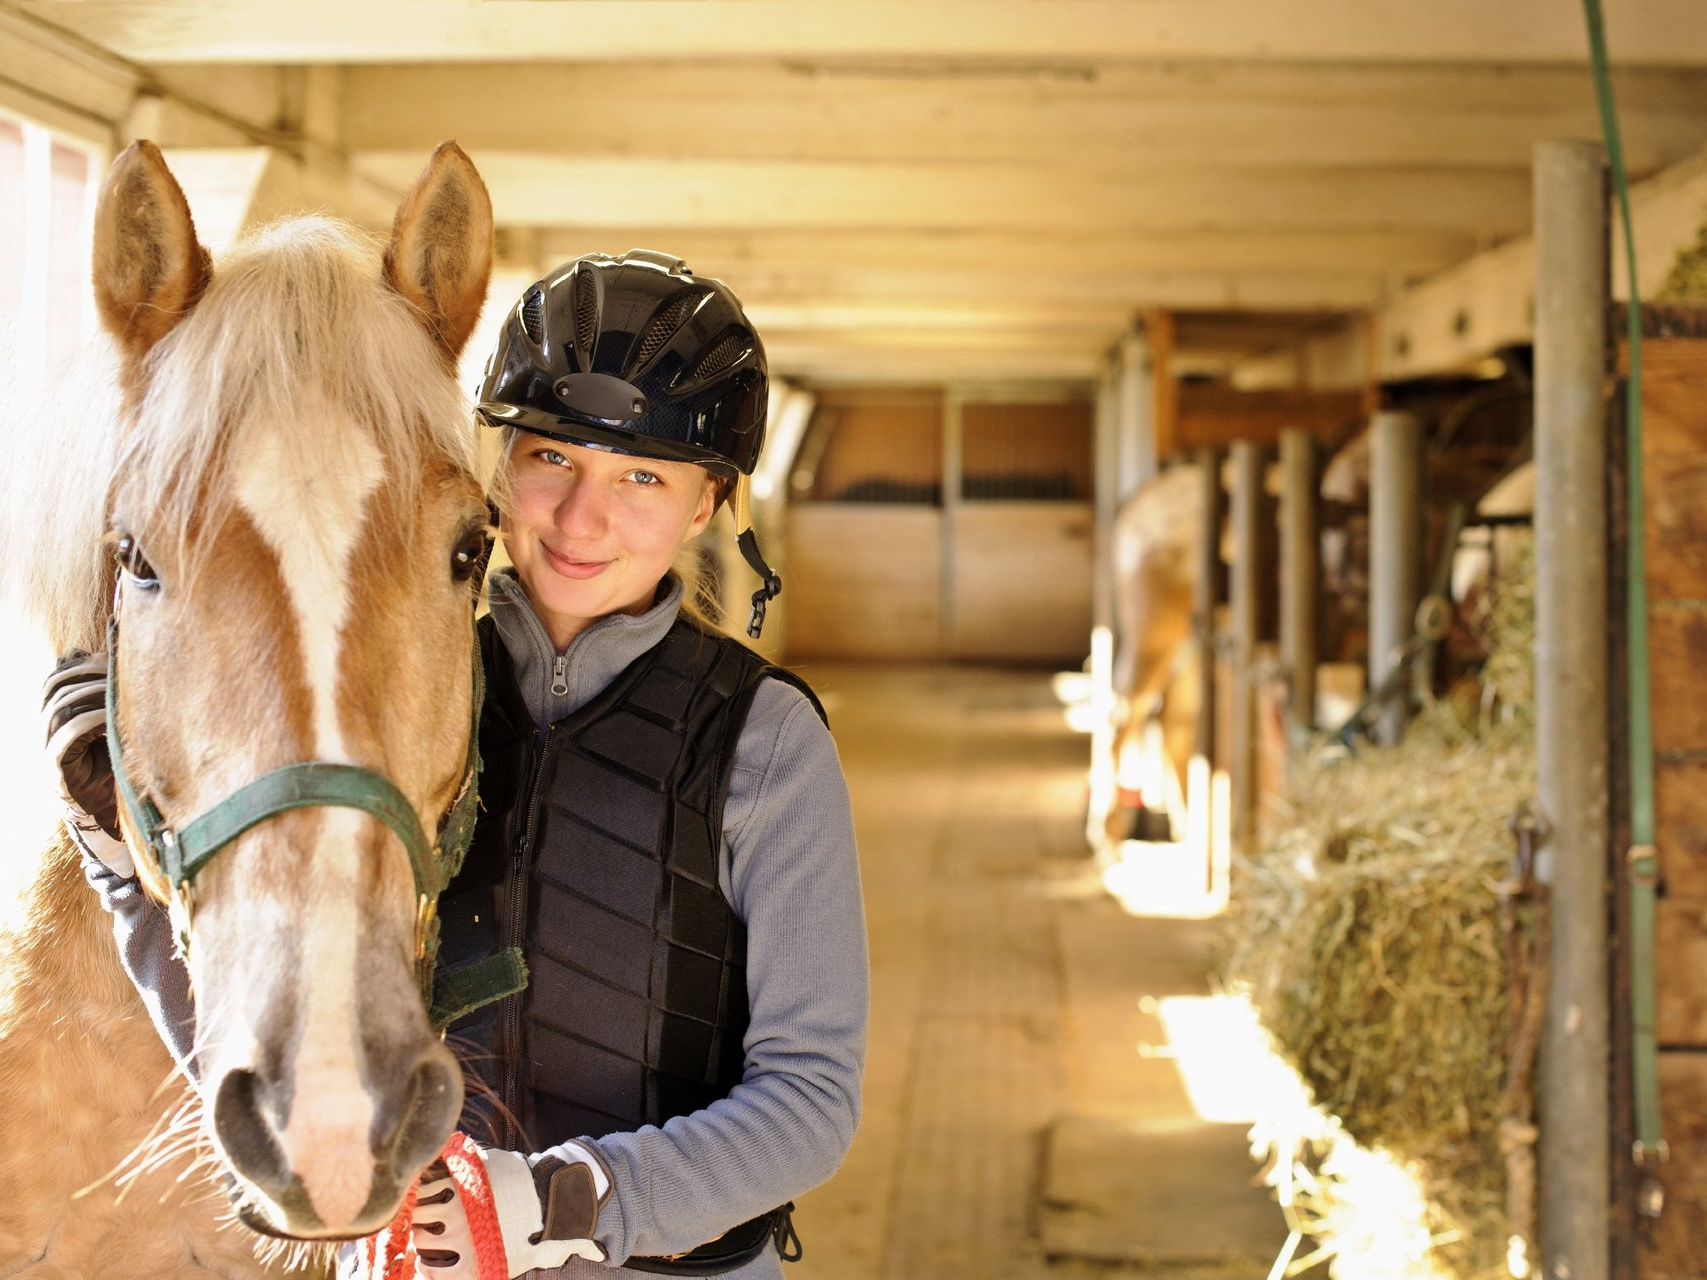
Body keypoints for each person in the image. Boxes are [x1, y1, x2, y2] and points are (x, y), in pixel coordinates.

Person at [44, 249, 868, 1279]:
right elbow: (271, 984)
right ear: (499, 465)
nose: (580, 516)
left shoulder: (768, 739)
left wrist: (559, 1203)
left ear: (706, 507)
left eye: (642, 477)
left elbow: (812, 1099)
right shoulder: (407, 688)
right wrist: (120, 856)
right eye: (553, 457)